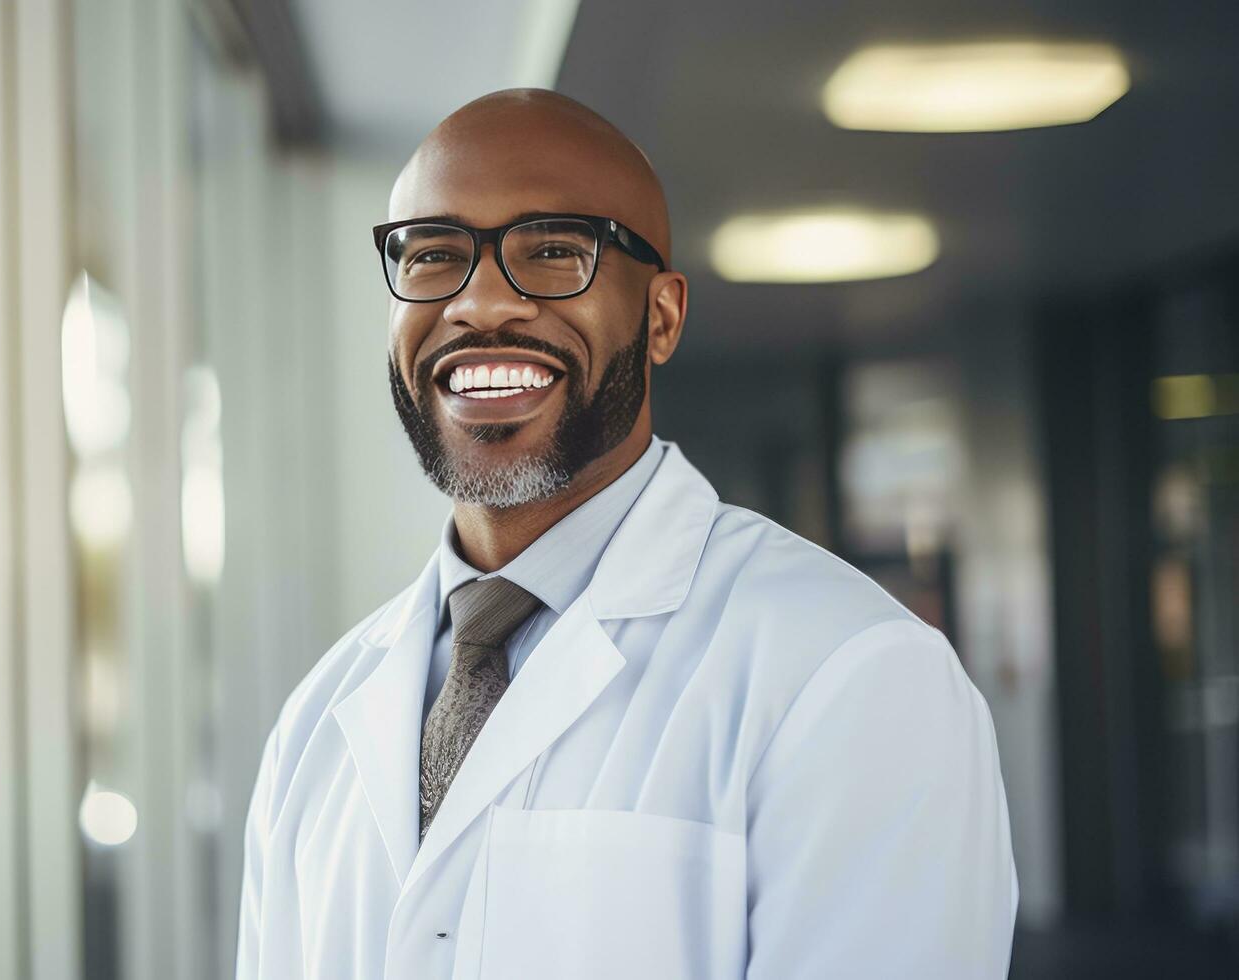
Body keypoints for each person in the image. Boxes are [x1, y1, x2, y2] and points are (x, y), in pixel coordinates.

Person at [234, 88, 1017, 979]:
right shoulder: (315, 725)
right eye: (434, 256)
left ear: (663, 317)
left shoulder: (853, 674)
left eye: (555, 251)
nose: (481, 303)